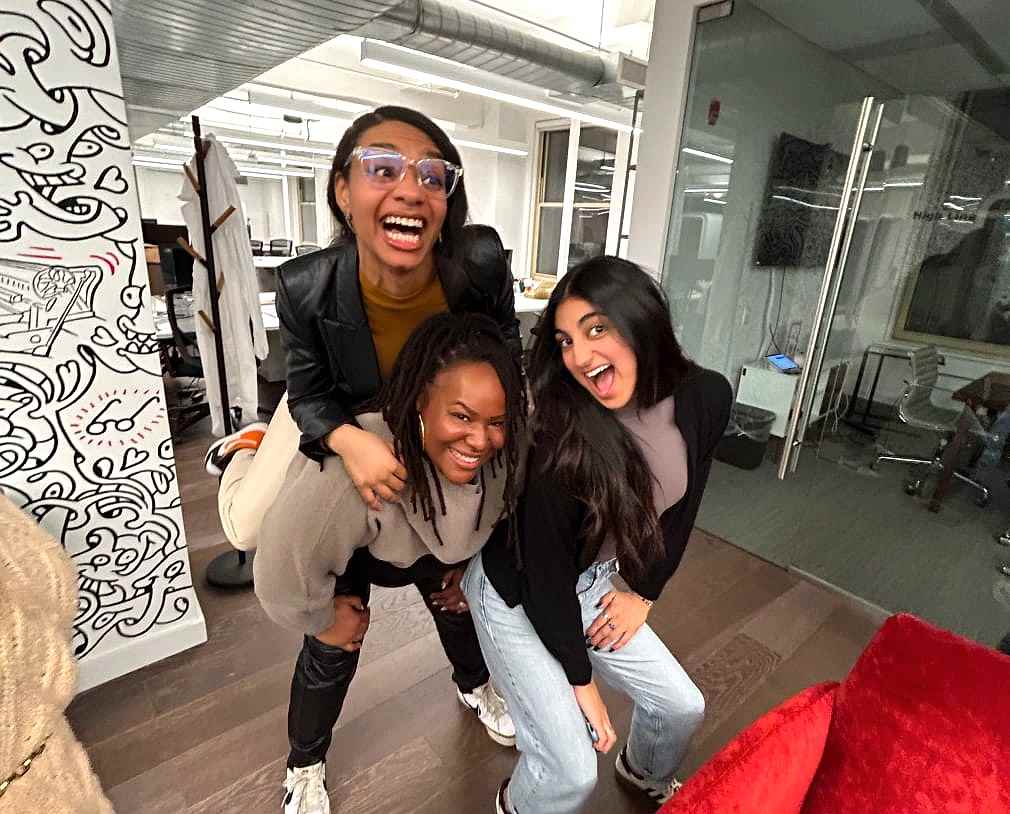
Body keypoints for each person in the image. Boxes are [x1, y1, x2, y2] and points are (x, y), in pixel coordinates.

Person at [464, 256, 733, 813]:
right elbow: (543, 571)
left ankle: (641, 774)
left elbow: (683, 506)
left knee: (681, 707)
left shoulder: (705, 395)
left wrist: (643, 590)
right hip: (516, 590)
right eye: (564, 340)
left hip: (593, 580)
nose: (580, 358)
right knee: (571, 772)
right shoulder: (559, 431)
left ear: (642, 321)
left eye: (597, 330)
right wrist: (581, 682)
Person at [255, 313, 527, 814]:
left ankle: (474, 685)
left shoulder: (505, 454)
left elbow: (507, 518)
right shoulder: (346, 473)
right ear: (420, 401)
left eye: (496, 422)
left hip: (435, 546)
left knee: (459, 608)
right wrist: (321, 618)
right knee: (333, 649)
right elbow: (279, 570)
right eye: (461, 417)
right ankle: (304, 764)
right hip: (356, 549)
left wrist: (472, 566)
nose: (480, 440)